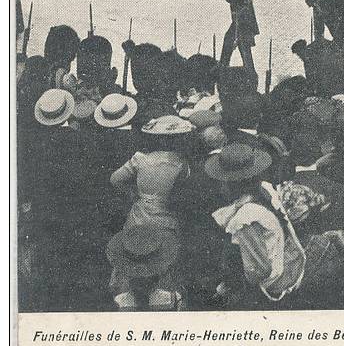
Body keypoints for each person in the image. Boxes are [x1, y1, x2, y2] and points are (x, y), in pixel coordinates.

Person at [109, 115, 196, 310]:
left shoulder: (140, 159)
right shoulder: (182, 163)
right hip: (166, 218)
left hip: (138, 215)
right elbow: (181, 194)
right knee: (167, 261)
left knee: (130, 258)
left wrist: (133, 195)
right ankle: (163, 298)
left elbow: (115, 179)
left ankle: (126, 299)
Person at [205, 143, 306, 304]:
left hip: (272, 280)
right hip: (282, 253)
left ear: (230, 183)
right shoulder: (263, 188)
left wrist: (230, 284)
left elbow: (259, 271)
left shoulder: (248, 217)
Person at [219, 0, 259, 82]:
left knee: (241, 46)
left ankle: (223, 72)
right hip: (244, 19)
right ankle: (224, 70)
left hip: (241, 20)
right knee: (240, 45)